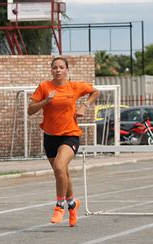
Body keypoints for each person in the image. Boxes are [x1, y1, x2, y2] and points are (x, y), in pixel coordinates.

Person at [28, 57, 100, 227]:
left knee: (60, 167)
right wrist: (46, 101)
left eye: (61, 67)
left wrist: (84, 106)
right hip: (50, 136)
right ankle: (73, 204)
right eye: (55, 68)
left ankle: (59, 206)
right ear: (51, 70)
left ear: (67, 70)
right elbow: (30, 110)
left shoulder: (74, 87)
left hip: (70, 135)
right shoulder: (44, 87)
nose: (58, 70)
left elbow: (95, 92)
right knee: (62, 173)